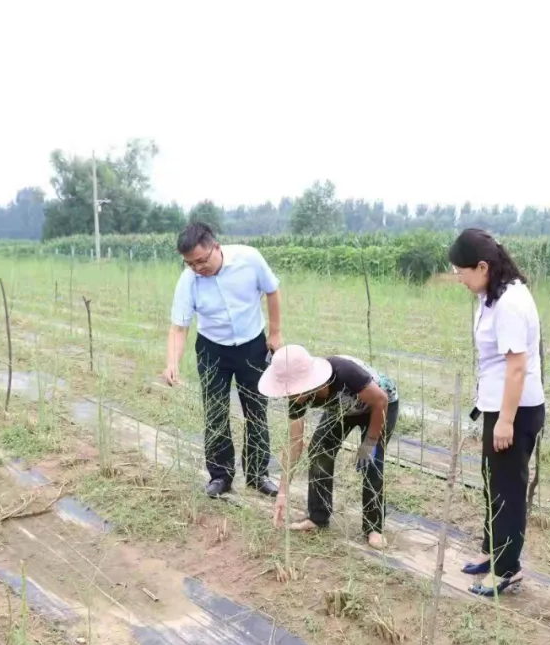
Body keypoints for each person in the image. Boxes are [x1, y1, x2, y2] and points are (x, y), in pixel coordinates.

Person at [449, 227, 545, 597]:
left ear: (484, 266)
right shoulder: (492, 295)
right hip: (499, 406)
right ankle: (493, 553)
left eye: (462, 272)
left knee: (507, 490)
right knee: (494, 484)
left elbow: (516, 367)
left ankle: (508, 569)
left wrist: (505, 420)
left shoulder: (510, 304)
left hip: (515, 411)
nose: (459, 278)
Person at [162, 222, 282, 498]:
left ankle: (257, 474)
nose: (197, 268)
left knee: (256, 409)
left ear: (216, 247)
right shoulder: (188, 280)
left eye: (201, 260)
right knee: (215, 412)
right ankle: (220, 476)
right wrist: (173, 363)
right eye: (190, 263)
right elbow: (178, 327)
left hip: (252, 345)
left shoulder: (249, 259)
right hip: (212, 349)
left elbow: (272, 290)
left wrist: (275, 333)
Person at [257, 344, 398, 550]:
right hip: (342, 409)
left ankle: (373, 527)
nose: (287, 395)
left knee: (372, 461)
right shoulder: (297, 397)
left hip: (379, 406)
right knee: (319, 450)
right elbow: (294, 444)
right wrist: (283, 492)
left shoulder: (345, 372)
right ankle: (318, 517)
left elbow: (381, 400)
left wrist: (369, 443)